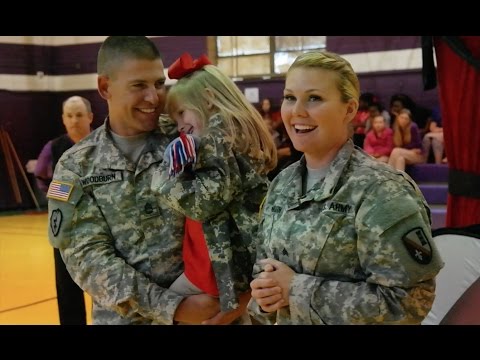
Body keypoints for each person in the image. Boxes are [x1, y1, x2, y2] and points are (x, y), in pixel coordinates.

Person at [248, 51, 444, 325]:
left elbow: (409, 302)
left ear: (349, 109)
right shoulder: (282, 183)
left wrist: (296, 289)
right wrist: (266, 295)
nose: (296, 111)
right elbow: (265, 270)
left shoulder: (382, 191)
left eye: (314, 98)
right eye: (290, 97)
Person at [47, 36, 224, 325]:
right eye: (138, 86)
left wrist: (237, 300)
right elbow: (88, 258)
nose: (153, 97)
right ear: (105, 87)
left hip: (212, 314)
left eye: (158, 83)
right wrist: (174, 307)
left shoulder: (189, 137)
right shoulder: (76, 165)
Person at [151, 52, 277, 324]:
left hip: (215, 268)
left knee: (161, 313)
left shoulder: (217, 139)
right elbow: (171, 124)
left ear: (207, 100)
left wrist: (162, 179)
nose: (180, 127)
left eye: (182, 113)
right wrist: (172, 111)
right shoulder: (221, 133)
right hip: (218, 265)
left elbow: (204, 202)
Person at [35, 96, 93, 324]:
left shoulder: (103, 143)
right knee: (67, 286)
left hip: (104, 224)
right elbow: (41, 177)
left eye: (79, 115)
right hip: (66, 228)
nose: (74, 120)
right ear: (63, 119)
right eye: (69, 115)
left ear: (90, 117)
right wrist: (66, 197)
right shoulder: (54, 147)